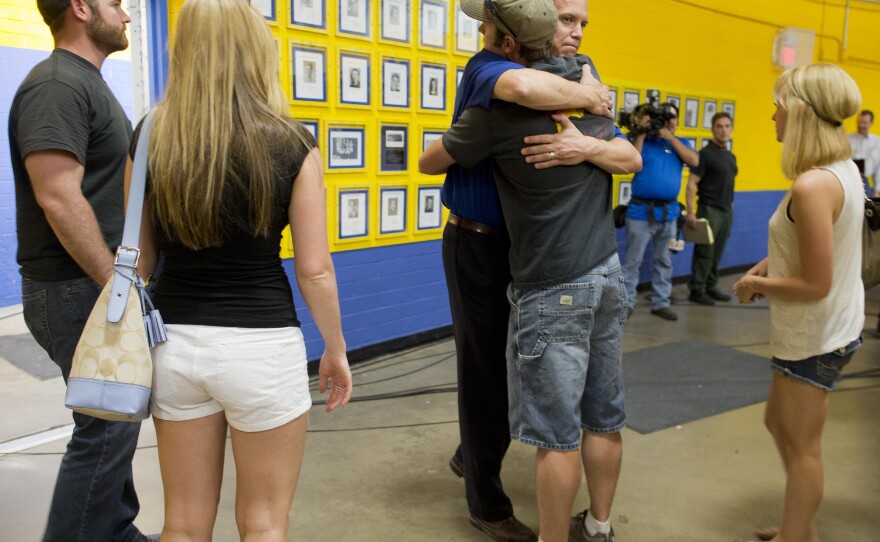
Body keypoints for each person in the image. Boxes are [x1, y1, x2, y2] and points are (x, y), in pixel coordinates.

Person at [129, 1, 352, 539]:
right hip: (262, 349)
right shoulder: (291, 141)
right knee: (263, 523)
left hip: (175, 348)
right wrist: (336, 348)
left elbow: (138, 258)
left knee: (181, 524)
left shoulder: (153, 135)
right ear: (257, 52)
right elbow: (315, 270)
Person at [422, 1, 637, 540]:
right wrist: (591, 102)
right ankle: (494, 500)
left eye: (582, 24)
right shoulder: (496, 76)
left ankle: (500, 476)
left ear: (514, 39)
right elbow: (524, 91)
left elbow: (627, 158)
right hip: (496, 245)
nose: (576, 33)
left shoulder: (566, 98)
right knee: (488, 372)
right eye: (567, 21)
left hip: (545, 265)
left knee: (547, 419)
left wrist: (585, 142)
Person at [8, 1, 157, 540]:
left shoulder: (85, 82)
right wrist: (117, 285)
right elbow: (57, 196)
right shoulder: (56, 85)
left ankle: (114, 530)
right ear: (80, 7)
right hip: (75, 287)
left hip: (90, 286)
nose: (126, 15)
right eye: (116, 3)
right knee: (103, 427)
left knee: (115, 422)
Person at [733, 63, 864, 542]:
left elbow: (815, 283)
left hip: (815, 334)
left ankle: (797, 536)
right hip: (820, 328)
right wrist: (770, 265)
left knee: (804, 446)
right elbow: (812, 246)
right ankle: (798, 524)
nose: (772, 116)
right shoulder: (839, 171)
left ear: (802, 114)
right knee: (777, 422)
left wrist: (754, 286)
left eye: (779, 106)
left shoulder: (813, 186)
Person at [622, 103, 699, 321]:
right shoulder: (644, 142)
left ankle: (661, 302)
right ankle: (626, 303)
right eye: (664, 118)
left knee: (664, 260)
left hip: (669, 213)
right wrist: (642, 133)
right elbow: (630, 162)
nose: (668, 121)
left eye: (672, 117)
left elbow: (694, 161)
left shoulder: (680, 143)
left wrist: (670, 138)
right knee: (632, 261)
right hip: (640, 212)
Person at [685, 111, 737, 305]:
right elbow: (691, 184)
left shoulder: (731, 157)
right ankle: (697, 290)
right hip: (709, 210)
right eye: (719, 126)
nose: (723, 130)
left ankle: (710, 286)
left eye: (726, 126)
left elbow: (729, 183)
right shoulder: (705, 154)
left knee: (718, 252)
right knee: (705, 252)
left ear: (731, 129)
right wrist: (691, 212)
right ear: (713, 129)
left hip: (726, 211)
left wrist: (730, 204)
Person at [847, 109, 880, 196]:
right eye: (859, 122)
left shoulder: (877, 141)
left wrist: (877, 190)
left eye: (864, 123)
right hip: (849, 183)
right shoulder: (846, 139)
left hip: (866, 184)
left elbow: (878, 168)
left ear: (871, 123)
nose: (861, 125)